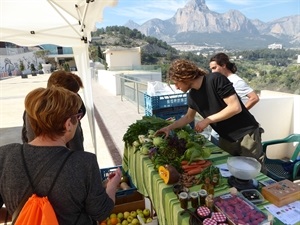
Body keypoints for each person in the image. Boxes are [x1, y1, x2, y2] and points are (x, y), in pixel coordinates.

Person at [0, 86, 122, 224]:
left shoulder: (4, 156)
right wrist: (112, 185)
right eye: (77, 117)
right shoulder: (84, 162)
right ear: (68, 124)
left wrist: (22, 216)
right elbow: (101, 212)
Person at [156, 59, 263, 161]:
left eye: (176, 83)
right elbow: (188, 117)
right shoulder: (192, 96)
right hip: (226, 138)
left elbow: (235, 107)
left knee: (253, 172)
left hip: (246, 134)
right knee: (229, 170)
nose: (176, 87)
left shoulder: (215, 79)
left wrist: (206, 120)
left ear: (185, 77)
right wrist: (169, 128)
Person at [22, 70, 86, 151]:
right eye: (72, 95)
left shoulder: (33, 107)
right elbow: (76, 146)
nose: (74, 98)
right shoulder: (34, 111)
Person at [209, 53, 260, 145]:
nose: (213, 72)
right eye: (211, 69)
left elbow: (254, 98)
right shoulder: (220, 81)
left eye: (214, 68)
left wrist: (239, 112)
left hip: (232, 125)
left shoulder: (236, 81)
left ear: (223, 65)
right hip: (221, 123)